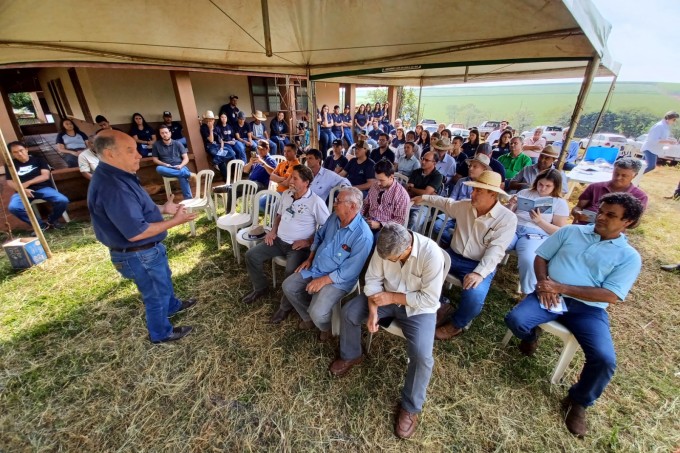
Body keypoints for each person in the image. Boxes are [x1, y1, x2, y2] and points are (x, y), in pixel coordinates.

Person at [504, 192, 644, 437]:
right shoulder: (571, 231)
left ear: (628, 222)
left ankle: (578, 402)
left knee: (604, 359)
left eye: (611, 215)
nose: (600, 217)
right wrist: (544, 283)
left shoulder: (629, 256)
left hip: (588, 310)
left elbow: (611, 295)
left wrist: (562, 288)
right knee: (516, 320)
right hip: (549, 293)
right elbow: (541, 257)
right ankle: (531, 337)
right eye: (601, 211)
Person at [331, 223, 445, 439]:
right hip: (383, 297)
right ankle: (352, 354)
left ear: (408, 248)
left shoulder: (431, 254)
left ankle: (410, 407)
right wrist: (373, 311)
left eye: (393, 259)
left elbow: (429, 298)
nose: (388, 261)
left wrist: (392, 298)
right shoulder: (385, 245)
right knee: (349, 313)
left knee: (422, 356)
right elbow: (372, 280)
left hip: (418, 308)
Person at [89, 130, 198, 343]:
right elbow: (136, 232)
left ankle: (173, 306)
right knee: (154, 294)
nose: (139, 155)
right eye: (130, 150)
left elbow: (137, 210)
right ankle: (161, 332)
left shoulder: (118, 175)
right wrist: (174, 222)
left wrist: (163, 208)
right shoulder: (114, 186)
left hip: (147, 252)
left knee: (163, 278)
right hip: (138, 253)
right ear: (110, 154)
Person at [413, 170, 516, 340]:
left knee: (474, 298)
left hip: (479, 264)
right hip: (453, 255)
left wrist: (479, 273)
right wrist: (424, 198)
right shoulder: (465, 206)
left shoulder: (507, 219)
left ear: (493, 194)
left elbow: (496, 251)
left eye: (478, 191)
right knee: (420, 268)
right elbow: (446, 203)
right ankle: (440, 303)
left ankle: (456, 324)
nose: (472, 193)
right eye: (473, 189)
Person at [282, 186, 373, 340]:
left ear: (352, 206)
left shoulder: (363, 236)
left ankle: (326, 327)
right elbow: (319, 236)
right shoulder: (334, 217)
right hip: (316, 267)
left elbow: (351, 270)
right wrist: (310, 258)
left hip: (338, 279)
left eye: (338, 201)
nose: (334, 204)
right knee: (288, 286)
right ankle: (309, 318)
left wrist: (324, 280)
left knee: (317, 311)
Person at [243, 165, 330, 323]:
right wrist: (272, 231)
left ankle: (284, 308)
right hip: (277, 240)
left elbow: (326, 228)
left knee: (290, 275)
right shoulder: (287, 194)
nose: (290, 181)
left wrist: (308, 241)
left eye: (295, 178)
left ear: (306, 182)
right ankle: (260, 288)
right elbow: (279, 215)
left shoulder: (315, 202)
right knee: (251, 256)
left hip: (297, 248)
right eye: (291, 177)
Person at [505, 169, 569, 294]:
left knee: (529, 260)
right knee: (495, 245)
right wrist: (511, 205)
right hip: (514, 227)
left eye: (548, 186)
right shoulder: (525, 192)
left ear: (555, 186)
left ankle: (528, 292)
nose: (543, 188)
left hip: (535, 234)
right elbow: (507, 214)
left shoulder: (559, 203)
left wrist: (540, 221)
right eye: (540, 184)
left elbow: (559, 231)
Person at [5, 141, 69, 231]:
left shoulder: (38, 160)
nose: (19, 154)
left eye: (21, 150)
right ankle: (40, 225)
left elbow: (45, 176)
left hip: (42, 188)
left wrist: (28, 183)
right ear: (11, 154)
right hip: (22, 191)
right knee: (14, 208)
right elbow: (10, 182)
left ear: (26, 149)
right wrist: (22, 190)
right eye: (15, 152)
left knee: (62, 200)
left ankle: (52, 221)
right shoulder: (10, 165)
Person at [434, 154, 491, 246]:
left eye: (475, 166)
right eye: (470, 166)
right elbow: (452, 198)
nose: (470, 168)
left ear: (484, 170)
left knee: (467, 233)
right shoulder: (462, 181)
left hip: (471, 217)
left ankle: (455, 245)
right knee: (437, 226)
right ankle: (451, 243)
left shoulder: (487, 187)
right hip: (455, 212)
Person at [571, 157, 648, 224]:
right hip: (583, 228)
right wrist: (577, 213)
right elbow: (578, 207)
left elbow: (634, 223)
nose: (618, 178)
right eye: (616, 174)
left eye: (624, 176)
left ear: (634, 175)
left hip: (609, 234)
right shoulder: (595, 187)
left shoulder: (639, 196)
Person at [213, 140, 276, 207]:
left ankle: (226, 188)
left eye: (262, 149)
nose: (260, 151)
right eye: (258, 149)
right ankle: (230, 213)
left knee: (238, 186)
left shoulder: (270, 160)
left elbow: (274, 172)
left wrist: (263, 163)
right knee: (232, 190)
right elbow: (245, 170)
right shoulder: (257, 158)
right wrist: (250, 163)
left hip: (262, 185)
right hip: (251, 183)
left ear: (268, 149)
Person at [363, 160, 410, 235]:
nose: (378, 183)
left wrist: (380, 225)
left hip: (387, 230)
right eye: (376, 179)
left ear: (391, 177)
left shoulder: (401, 195)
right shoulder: (375, 185)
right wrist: (360, 217)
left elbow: (399, 220)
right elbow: (366, 204)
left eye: (381, 180)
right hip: (369, 222)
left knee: (375, 239)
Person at [152, 125, 193, 200]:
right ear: (160, 134)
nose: (164, 134)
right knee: (158, 168)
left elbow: (186, 158)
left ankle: (188, 199)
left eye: (166, 132)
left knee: (182, 174)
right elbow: (155, 159)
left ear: (170, 133)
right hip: (167, 168)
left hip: (179, 166)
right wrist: (165, 164)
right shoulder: (156, 145)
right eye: (162, 133)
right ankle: (186, 173)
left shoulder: (178, 143)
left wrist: (181, 165)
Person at [406, 151, 443, 229]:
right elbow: (408, 188)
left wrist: (413, 189)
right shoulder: (416, 172)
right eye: (422, 159)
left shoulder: (438, 176)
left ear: (434, 163)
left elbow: (426, 193)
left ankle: (410, 238)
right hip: (411, 201)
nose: (423, 162)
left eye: (427, 160)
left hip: (425, 205)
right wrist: (426, 192)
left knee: (414, 220)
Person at [200, 110, 230, 181]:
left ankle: (215, 161)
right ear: (206, 120)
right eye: (208, 120)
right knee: (221, 161)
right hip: (210, 146)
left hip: (218, 146)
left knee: (232, 153)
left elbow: (221, 140)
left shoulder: (216, 128)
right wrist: (210, 129)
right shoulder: (204, 128)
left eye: (212, 119)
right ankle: (226, 179)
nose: (210, 121)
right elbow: (211, 140)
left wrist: (222, 148)